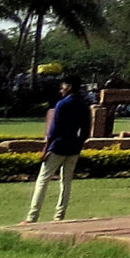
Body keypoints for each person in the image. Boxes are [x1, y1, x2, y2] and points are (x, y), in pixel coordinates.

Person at [23, 80, 88, 223]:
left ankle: (32, 216)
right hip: (74, 147)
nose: (61, 90)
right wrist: (78, 143)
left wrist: (45, 148)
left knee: (43, 180)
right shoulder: (84, 105)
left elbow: (53, 130)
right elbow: (85, 131)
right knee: (66, 182)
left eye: (63, 87)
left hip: (58, 146)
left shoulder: (62, 104)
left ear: (69, 88)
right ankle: (59, 216)